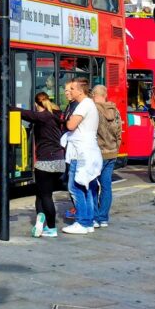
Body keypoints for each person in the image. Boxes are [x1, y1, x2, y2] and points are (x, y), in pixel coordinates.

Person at [9, 92, 64, 237]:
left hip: (46, 162)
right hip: (59, 160)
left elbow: (26, 114)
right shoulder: (55, 114)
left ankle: (51, 228)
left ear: (36, 104)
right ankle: (41, 219)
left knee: (45, 196)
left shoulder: (43, 116)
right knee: (41, 194)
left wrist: (7, 108)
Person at [61, 78, 102, 235]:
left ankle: (82, 222)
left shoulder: (84, 105)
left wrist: (68, 120)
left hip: (81, 152)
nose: (69, 91)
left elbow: (70, 125)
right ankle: (89, 221)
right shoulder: (89, 104)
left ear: (80, 90)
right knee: (89, 187)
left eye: (72, 89)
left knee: (75, 186)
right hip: (88, 150)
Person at [92, 84, 122, 229]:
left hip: (97, 154)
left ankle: (95, 217)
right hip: (111, 153)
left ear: (94, 95)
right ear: (105, 95)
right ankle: (103, 218)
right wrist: (115, 149)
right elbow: (119, 133)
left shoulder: (93, 110)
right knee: (106, 187)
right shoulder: (115, 110)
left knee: (91, 186)